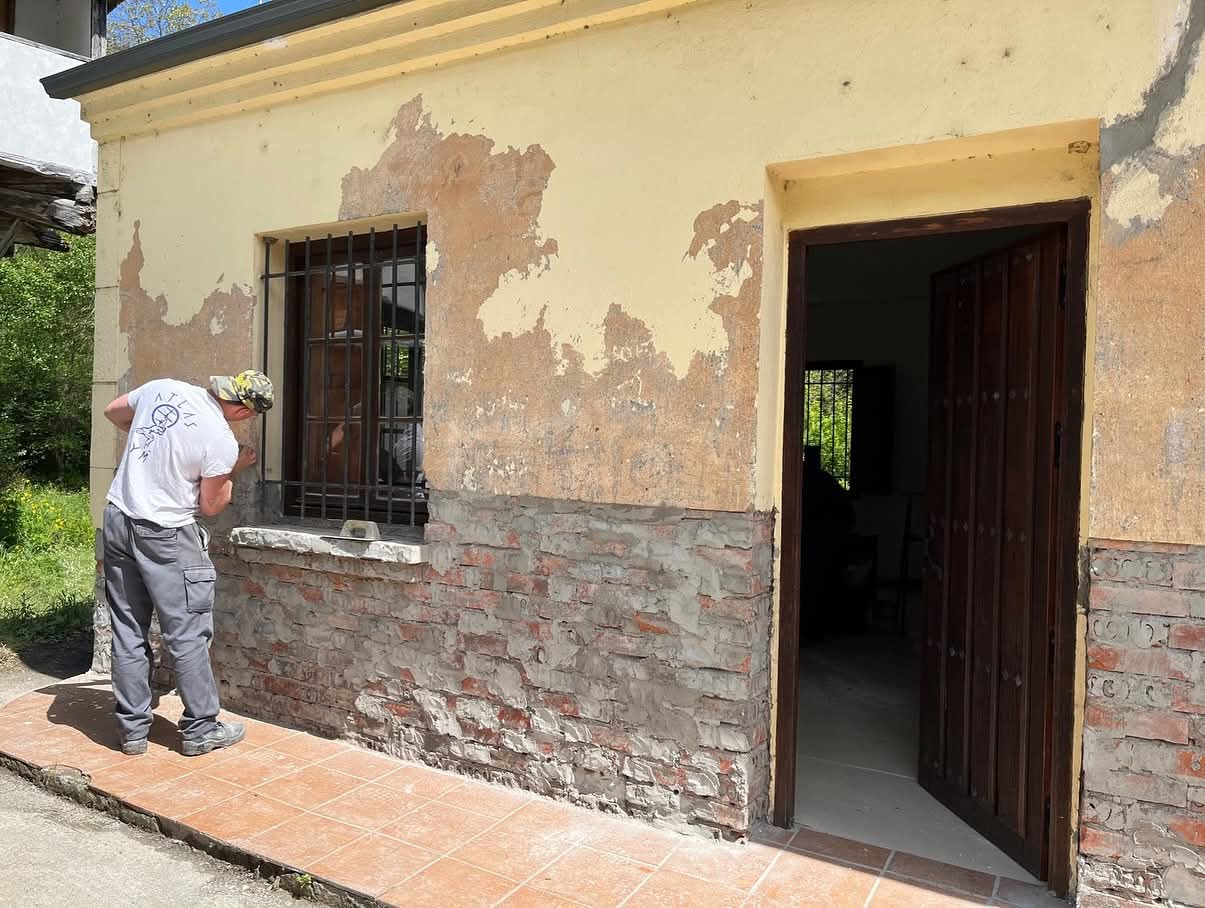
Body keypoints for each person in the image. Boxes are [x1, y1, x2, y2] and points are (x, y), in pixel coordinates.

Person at [101, 370, 274, 756]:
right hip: (166, 534)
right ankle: (200, 729)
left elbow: (113, 411)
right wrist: (231, 469)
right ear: (246, 412)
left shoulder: (163, 387)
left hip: (118, 518)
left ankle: (132, 732)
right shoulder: (220, 439)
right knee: (187, 633)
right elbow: (210, 506)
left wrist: (154, 443)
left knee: (128, 629)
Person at [800, 445, 855, 644]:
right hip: (820, 544)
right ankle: (814, 630)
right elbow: (848, 515)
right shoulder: (825, 482)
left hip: (813, 543)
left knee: (811, 587)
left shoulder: (805, 481)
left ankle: (810, 630)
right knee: (818, 587)